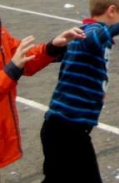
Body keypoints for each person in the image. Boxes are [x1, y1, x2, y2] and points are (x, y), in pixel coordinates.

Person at [40, 0, 119, 181]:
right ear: (112, 11)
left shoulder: (87, 35)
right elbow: (93, 40)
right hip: (67, 129)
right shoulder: (89, 33)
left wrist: (98, 89)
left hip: (66, 128)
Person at [1, 17, 84, 169]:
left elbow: (22, 57)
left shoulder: (2, 33)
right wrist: (11, 70)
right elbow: (15, 64)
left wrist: (51, 48)